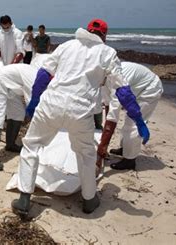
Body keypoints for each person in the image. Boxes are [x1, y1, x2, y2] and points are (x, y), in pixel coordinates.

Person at [11, 19, 150, 215]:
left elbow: (44, 74)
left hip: (52, 103)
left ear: (87, 30)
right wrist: (139, 120)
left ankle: (24, 199)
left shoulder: (67, 46)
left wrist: (35, 100)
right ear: (104, 35)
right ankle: (89, 200)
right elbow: (123, 91)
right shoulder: (108, 53)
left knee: (32, 146)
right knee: (86, 155)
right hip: (81, 110)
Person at [97, 62, 163, 170]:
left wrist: (104, 144)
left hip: (149, 88)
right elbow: (108, 106)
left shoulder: (116, 80)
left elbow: (113, 116)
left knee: (132, 124)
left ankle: (130, 160)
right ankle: (125, 149)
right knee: (128, 122)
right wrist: (106, 133)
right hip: (134, 88)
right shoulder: (103, 80)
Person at [0, 64, 38, 171]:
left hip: (12, 87)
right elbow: (32, 103)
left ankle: (10, 144)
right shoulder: (34, 78)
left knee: (18, 113)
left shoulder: (37, 74)